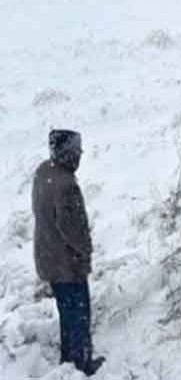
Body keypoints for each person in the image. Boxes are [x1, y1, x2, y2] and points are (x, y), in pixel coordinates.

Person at [32, 129, 105, 376]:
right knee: (79, 314)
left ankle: (67, 357)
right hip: (67, 263)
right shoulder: (66, 185)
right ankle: (82, 364)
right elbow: (72, 230)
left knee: (67, 312)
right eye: (76, 151)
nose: (80, 156)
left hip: (48, 257)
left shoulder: (43, 172)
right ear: (67, 154)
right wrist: (86, 252)